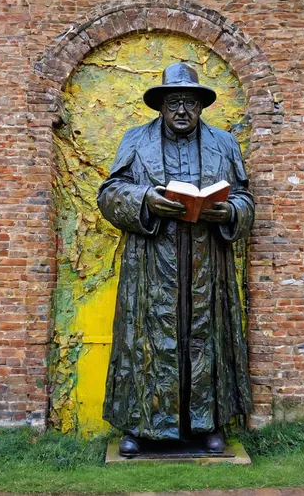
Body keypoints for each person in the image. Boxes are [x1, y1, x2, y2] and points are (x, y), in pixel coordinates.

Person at [97, 62, 254, 457]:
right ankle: (139, 424)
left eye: (189, 102)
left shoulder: (225, 144)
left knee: (205, 338)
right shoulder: (135, 140)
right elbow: (110, 193)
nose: (182, 110)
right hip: (152, 257)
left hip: (207, 260)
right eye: (174, 103)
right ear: (161, 106)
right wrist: (146, 199)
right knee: (147, 340)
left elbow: (245, 198)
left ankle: (207, 425)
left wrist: (231, 211)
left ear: (201, 106)